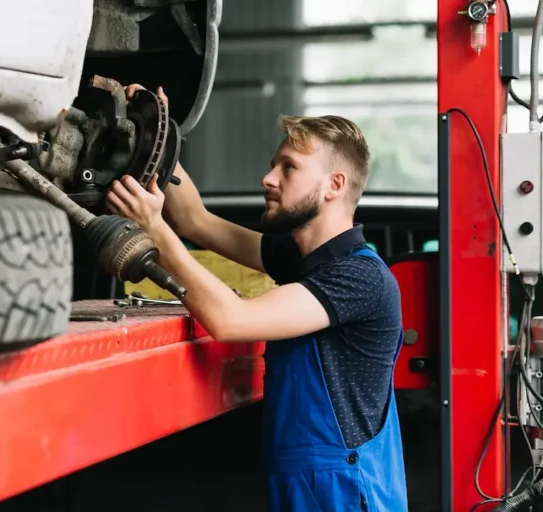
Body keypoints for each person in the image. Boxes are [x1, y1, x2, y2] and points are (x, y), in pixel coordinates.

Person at [107, 84, 408, 511]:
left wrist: (156, 233)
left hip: (344, 492)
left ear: (334, 185)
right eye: (274, 165)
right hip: (304, 481)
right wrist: (158, 135)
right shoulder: (302, 259)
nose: (268, 178)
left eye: (289, 168)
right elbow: (197, 221)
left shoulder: (360, 277)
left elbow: (233, 320)